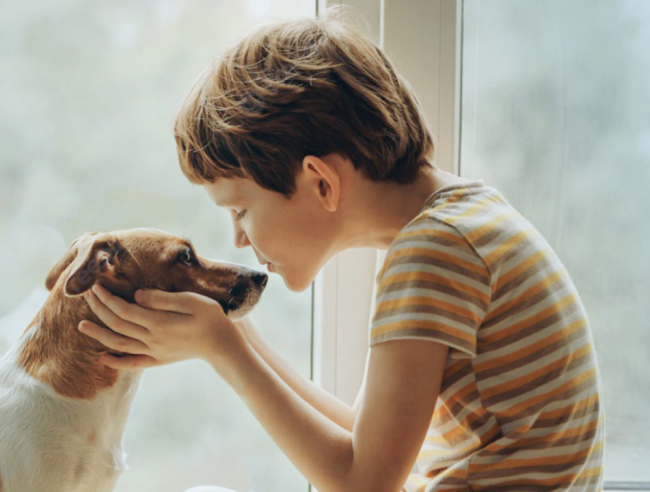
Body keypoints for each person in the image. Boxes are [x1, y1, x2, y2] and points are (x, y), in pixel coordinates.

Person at [78, 7, 604, 492]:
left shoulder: (433, 255)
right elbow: (366, 436)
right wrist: (235, 334)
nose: (238, 238)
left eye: (240, 210)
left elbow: (365, 482)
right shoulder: (459, 224)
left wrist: (226, 353)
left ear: (321, 184)